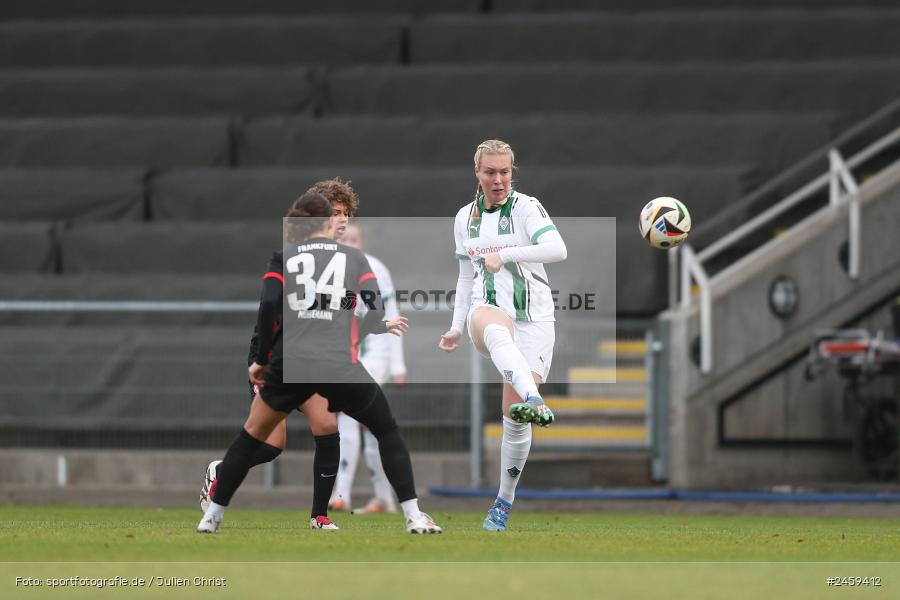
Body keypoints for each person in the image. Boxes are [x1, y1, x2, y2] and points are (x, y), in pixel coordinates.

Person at [197, 192, 442, 534]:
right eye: (336, 214)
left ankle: (213, 518)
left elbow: (269, 307)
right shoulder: (354, 258)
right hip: (335, 363)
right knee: (384, 429)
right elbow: (372, 310)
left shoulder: (284, 258)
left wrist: (262, 360)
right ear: (327, 221)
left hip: (289, 362)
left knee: (257, 435)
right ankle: (414, 516)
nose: (342, 220)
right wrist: (359, 329)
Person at [199, 178, 359, 520]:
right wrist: (263, 358)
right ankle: (220, 472)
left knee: (327, 426)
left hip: (311, 359)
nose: (343, 219)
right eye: (336, 212)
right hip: (278, 357)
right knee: (271, 445)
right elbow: (281, 305)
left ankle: (320, 517)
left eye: (347, 213)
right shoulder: (298, 253)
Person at [439, 139, 567, 532]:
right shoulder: (464, 218)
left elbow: (557, 249)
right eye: (490, 172)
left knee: (514, 419)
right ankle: (535, 398)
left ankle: (503, 503)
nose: (498, 180)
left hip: (535, 318)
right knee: (493, 326)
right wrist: (456, 325)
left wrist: (506, 254)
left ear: (513, 172)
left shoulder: (527, 207)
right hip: (487, 308)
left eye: (505, 172)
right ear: (477, 173)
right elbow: (466, 277)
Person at [329, 224, 406, 514]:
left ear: (361, 242)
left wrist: (398, 364)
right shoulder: (332, 269)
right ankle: (383, 498)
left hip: (376, 354)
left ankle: (341, 494)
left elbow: (392, 314)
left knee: (347, 414)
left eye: (354, 239)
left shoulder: (375, 268)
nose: (349, 243)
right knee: (373, 426)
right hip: (348, 355)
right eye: (344, 239)